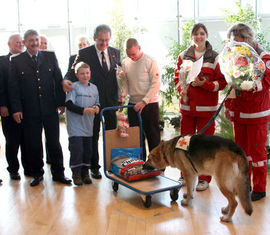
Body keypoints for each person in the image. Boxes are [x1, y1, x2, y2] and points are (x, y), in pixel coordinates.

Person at [8, 29, 71, 186]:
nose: (35, 43)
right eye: (31, 40)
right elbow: (13, 87)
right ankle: (37, 173)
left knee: (54, 143)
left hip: (50, 109)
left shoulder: (50, 56)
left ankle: (59, 173)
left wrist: (60, 102)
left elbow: (58, 79)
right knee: (34, 144)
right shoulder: (16, 61)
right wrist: (16, 109)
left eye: (36, 39)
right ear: (25, 42)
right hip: (30, 111)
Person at [63, 24, 121, 179]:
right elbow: (72, 71)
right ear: (95, 38)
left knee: (110, 134)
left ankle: (112, 165)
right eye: (101, 40)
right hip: (92, 102)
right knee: (93, 135)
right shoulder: (84, 53)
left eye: (107, 40)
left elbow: (119, 77)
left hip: (111, 102)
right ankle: (94, 167)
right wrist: (66, 80)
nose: (104, 44)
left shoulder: (115, 53)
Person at [174, 23, 227, 191]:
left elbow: (222, 83)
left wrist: (205, 84)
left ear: (207, 35)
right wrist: (182, 89)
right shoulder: (183, 56)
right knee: (184, 143)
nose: (199, 37)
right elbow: (177, 78)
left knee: (205, 146)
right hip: (187, 109)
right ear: (192, 36)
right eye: (196, 34)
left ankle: (204, 178)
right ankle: (185, 174)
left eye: (202, 33)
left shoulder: (216, 57)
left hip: (207, 111)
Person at [225, 23, 270, 201]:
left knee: (257, 153)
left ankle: (259, 188)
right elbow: (230, 81)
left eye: (239, 42)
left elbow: (267, 81)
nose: (236, 46)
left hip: (256, 113)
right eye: (233, 43)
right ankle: (244, 184)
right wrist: (229, 106)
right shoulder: (235, 56)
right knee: (241, 153)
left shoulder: (264, 57)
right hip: (239, 113)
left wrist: (250, 85)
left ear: (248, 39)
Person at [120, 38, 161, 160]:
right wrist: (122, 96)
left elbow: (156, 83)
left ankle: (157, 164)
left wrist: (144, 101)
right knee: (137, 137)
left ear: (139, 48)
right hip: (133, 104)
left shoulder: (150, 61)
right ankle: (140, 162)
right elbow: (125, 84)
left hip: (150, 103)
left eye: (133, 54)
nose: (131, 57)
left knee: (153, 135)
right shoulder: (125, 63)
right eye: (129, 54)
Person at [65, 62, 100, 185]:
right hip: (75, 126)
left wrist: (96, 107)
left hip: (88, 126)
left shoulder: (94, 88)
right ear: (76, 74)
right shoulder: (73, 87)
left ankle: (85, 173)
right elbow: (69, 105)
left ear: (90, 73)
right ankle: (76, 174)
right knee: (77, 150)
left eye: (87, 73)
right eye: (82, 73)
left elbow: (97, 103)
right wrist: (84, 110)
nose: (85, 76)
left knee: (87, 150)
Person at [0, 34, 27, 180]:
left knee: (27, 140)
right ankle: (13, 169)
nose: (20, 44)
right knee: (12, 141)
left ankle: (29, 168)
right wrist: (2, 105)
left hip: (27, 108)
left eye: (22, 42)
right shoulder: (2, 61)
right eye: (17, 42)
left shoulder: (27, 60)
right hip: (8, 109)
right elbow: (1, 86)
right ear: (9, 44)